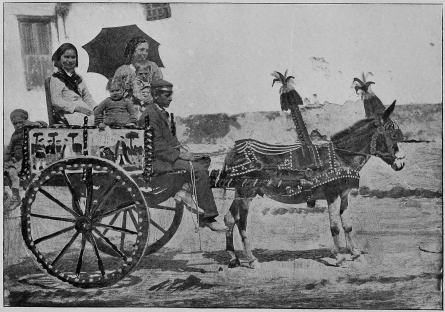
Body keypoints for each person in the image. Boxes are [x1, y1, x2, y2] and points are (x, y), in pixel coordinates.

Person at [138, 79, 227, 232]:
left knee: (204, 159)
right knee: (198, 170)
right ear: (155, 95)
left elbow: (170, 139)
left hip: (166, 157)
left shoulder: (160, 113)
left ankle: (184, 190)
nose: (170, 98)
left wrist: (183, 151)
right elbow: (157, 146)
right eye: (167, 95)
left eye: (170, 94)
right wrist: (180, 156)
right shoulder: (150, 115)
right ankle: (208, 217)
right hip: (157, 161)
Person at [4, 109, 46, 211]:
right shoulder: (14, 136)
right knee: (7, 172)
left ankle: (16, 197)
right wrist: (5, 160)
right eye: (15, 124)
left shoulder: (30, 130)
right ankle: (10, 195)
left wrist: (31, 123)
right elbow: (9, 150)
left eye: (21, 122)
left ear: (26, 121)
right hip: (16, 159)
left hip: (27, 158)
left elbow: (44, 125)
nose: (18, 125)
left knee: (12, 173)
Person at [50, 43, 96, 126]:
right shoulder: (56, 78)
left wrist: (96, 108)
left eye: (73, 57)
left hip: (83, 109)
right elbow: (56, 101)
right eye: (66, 57)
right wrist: (77, 108)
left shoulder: (79, 78)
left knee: (101, 119)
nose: (70, 60)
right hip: (67, 112)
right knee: (89, 121)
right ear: (59, 58)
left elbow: (86, 97)